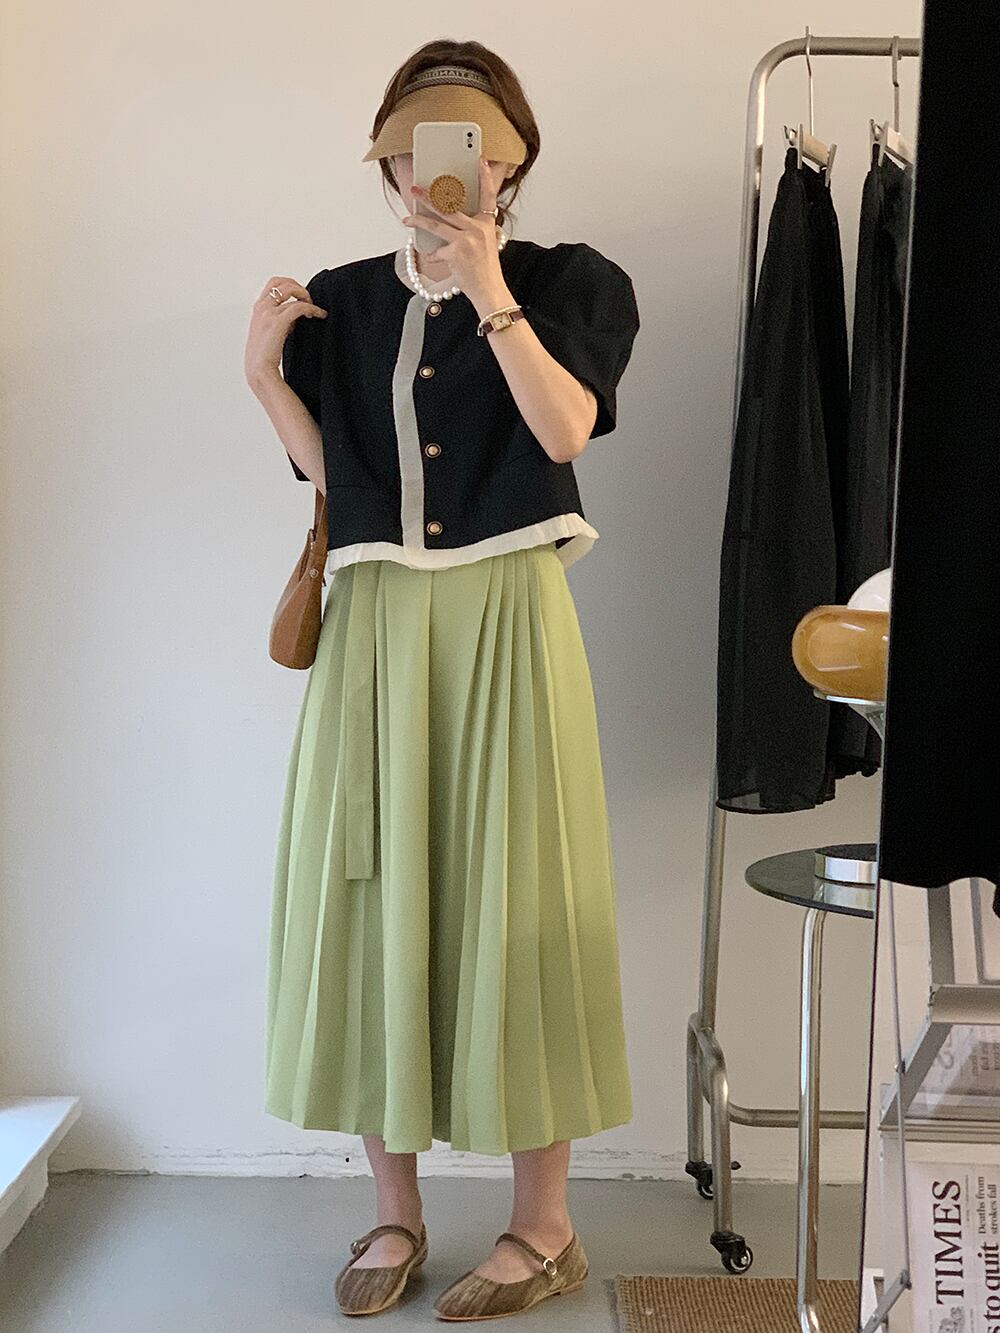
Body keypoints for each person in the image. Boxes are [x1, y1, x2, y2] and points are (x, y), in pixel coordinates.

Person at [243, 40, 641, 1322]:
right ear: (387, 162)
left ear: (509, 162)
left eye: (464, 145)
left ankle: (546, 1227)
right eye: (411, 149)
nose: (435, 171)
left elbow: (565, 428)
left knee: (517, 895)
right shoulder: (344, 303)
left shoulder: (571, 283)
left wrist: (488, 292)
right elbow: (338, 478)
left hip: (507, 615)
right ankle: (394, 1210)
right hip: (375, 628)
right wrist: (263, 378)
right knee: (375, 892)